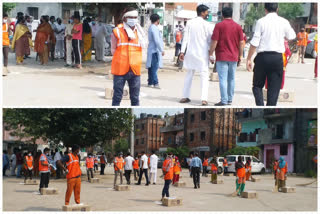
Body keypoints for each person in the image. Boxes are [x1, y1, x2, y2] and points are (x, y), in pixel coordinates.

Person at [246, 3, 296, 106]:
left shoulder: (261, 22)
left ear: (265, 10)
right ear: (277, 9)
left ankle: (260, 106)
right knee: (274, 89)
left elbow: (255, 42)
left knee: (257, 86)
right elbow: (292, 36)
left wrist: (249, 58)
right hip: (277, 58)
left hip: (262, 57)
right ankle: (270, 109)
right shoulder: (284, 22)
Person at [209, 7, 245, 106]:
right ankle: (229, 99)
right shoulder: (238, 27)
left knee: (223, 79)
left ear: (222, 15)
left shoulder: (219, 26)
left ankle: (224, 100)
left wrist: (210, 53)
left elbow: (214, 41)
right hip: (234, 56)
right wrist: (240, 56)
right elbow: (241, 43)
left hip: (222, 56)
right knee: (231, 78)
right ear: (232, 15)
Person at [111, 7, 145, 106]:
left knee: (135, 98)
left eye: (135, 17)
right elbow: (113, 49)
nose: (133, 19)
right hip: (120, 69)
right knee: (117, 96)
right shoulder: (117, 31)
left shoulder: (140, 32)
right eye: (131, 17)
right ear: (125, 18)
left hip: (135, 70)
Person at [179, 5, 213, 106]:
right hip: (202, 54)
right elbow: (210, 41)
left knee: (189, 74)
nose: (208, 14)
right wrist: (211, 55)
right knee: (204, 76)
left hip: (190, 53)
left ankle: (185, 96)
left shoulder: (190, 23)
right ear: (202, 13)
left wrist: (182, 52)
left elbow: (185, 38)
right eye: (207, 12)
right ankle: (204, 99)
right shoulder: (207, 24)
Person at [146, 14, 164, 89]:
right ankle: (155, 82)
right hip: (154, 50)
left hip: (151, 49)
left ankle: (150, 82)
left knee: (151, 67)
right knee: (154, 67)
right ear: (157, 20)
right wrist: (161, 50)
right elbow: (157, 40)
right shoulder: (154, 28)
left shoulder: (151, 27)